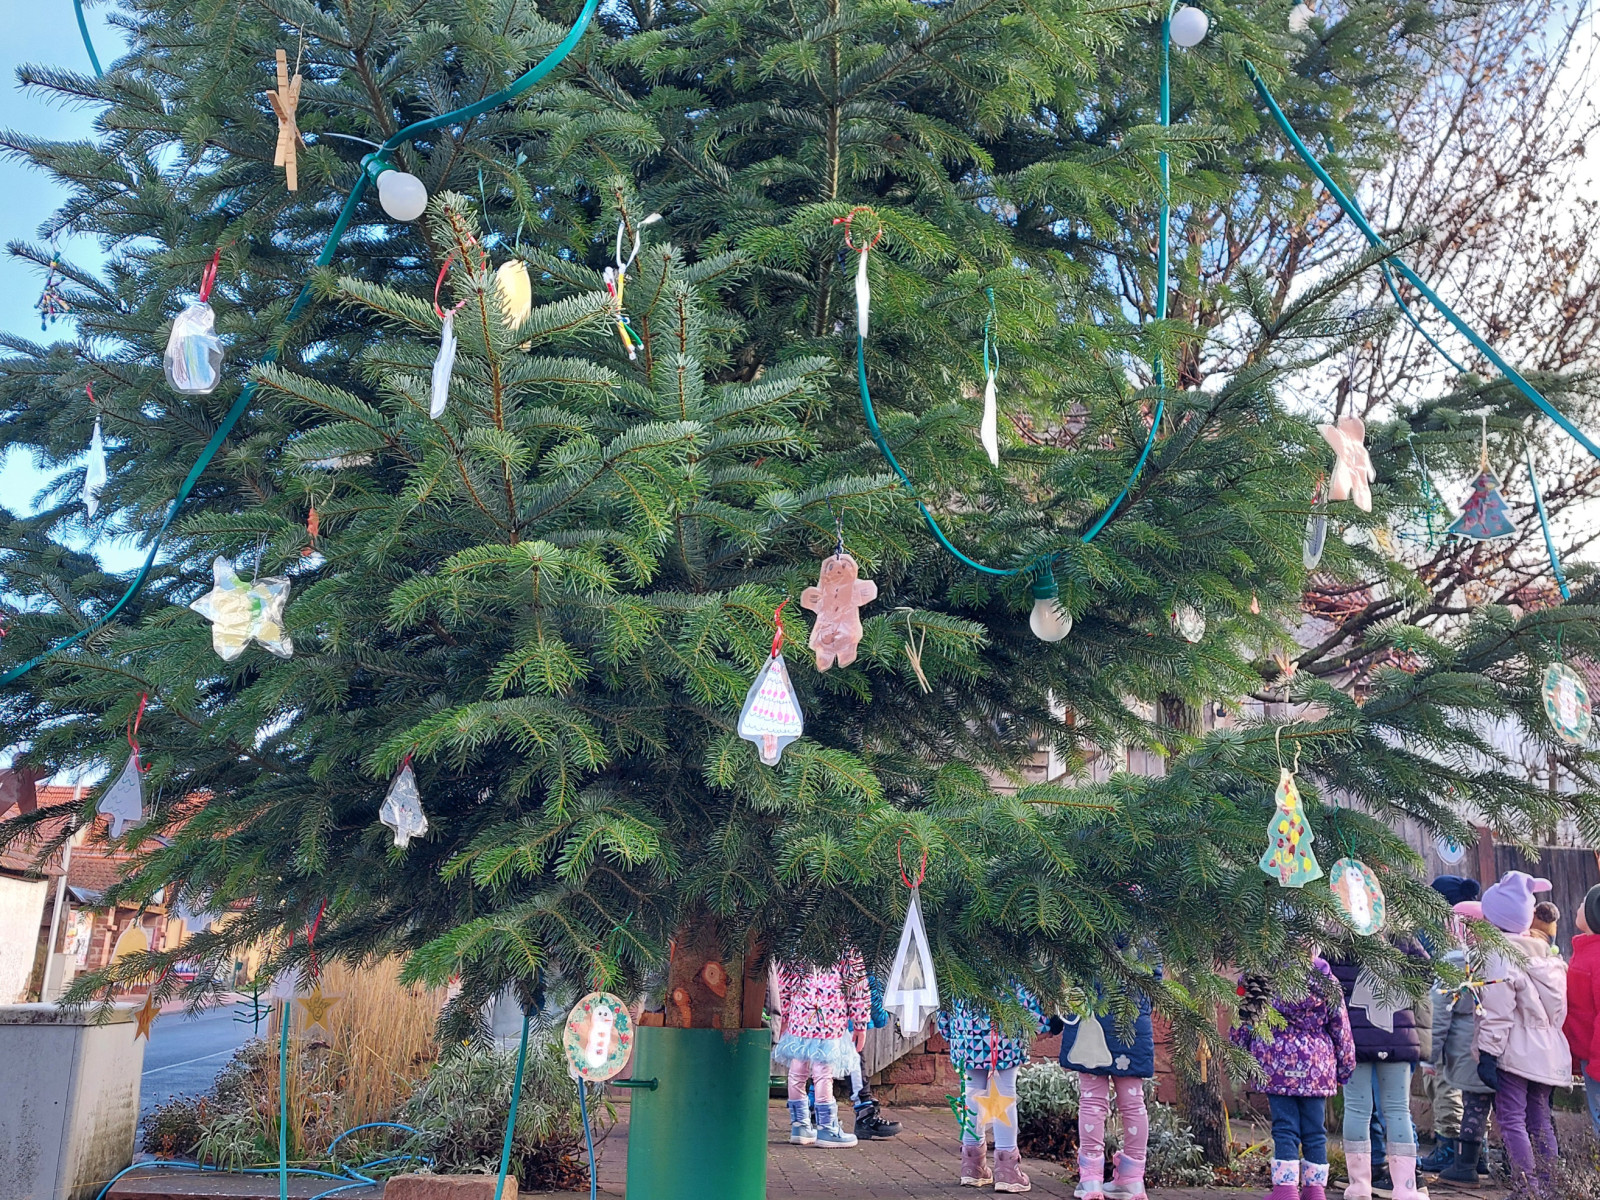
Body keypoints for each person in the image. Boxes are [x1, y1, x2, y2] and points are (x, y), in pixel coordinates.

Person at [1230, 954, 1355, 1200]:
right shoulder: (1328, 980)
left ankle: (1285, 1190)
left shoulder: (1258, 975)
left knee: (1284, 1127)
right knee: (1315, 1130)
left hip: (1275, 1062)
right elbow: (1341, 1026)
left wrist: (1239, 1052)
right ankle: (1315, 1189)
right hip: (1316, 1066)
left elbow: (1242, 1020)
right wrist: (1345, 1065)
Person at [1474, 870, 1571, 1184]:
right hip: (1547, 1053)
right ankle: (1548, 1185)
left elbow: (1496, 1010)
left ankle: (1527, 1187)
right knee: (1540, 1118)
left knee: (1512, 1119)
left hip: (1514, 1054)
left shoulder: (1500, 956)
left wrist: (1488, 1053)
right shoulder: (1549, 958)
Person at [1330, 946, 1427, 1200]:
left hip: (1355, 1038)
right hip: (1399, 1034)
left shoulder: (1339, 940)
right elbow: (1425, 971)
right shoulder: (1400, 937)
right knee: (1398, 1110)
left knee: (1357, 1110)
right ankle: (1406, 1189)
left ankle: (1359, 1186)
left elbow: (1326, 981)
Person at [939, 992, 1058, 1193]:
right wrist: (1044, 1023)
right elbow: (1024, 989)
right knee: (1005, 1093)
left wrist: (946, 1027)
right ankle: (1007, 1167)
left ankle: (971, 1164)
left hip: (965, 1031)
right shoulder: (1007, 959)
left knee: (971, 1091)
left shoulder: (961, 959)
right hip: (1005, 1032)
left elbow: (945, 990)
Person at [1063, 963, 1160, 1200]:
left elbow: (1067, 971)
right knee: (1134, 1102)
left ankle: (1091, 1179)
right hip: (1133, 1021)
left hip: (1090, 1018)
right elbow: (1154, 982)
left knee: (1092, 1101)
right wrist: (1141, 1009)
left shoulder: (1082, 927)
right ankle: (1133, 1179)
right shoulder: (1145, 932)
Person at [1429, 898, 1496, 1187]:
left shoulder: (1457, 963)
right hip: (1496, 1045)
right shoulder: (1497, 960)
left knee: (1473, 1104)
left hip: (1467, 1047)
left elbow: (1440, 1014)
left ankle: (1463, 1164)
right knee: (1489, 1106)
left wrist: (1429, 1055)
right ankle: (1480, 1159)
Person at [773, 949, 870, 1148]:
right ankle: (827, 1128)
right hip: (829, 1014)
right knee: (822, 1070)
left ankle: (799, 1126)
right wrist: (860, 1022)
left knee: (798, 1067)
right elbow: (856, 982)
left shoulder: (797, 937)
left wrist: (784, 1013)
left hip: (800, 1012)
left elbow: (783, 978)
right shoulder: (844, 942)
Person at [1417, 875, 1479, 1176]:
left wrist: (1430, 1048)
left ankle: (1447, 1147)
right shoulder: (1479, 949)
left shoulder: (1444, 945)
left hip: (1448, 1032)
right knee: (1472, 1094)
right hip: (1473, 1036)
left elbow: (1440, 1003)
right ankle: (1474, 1154)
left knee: (1445, 1086)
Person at [846, 974, 901, 1139]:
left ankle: (812, 1109)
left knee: (819, 1057)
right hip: (845, 1010)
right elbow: (862, 980)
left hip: (818, 1009)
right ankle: (865, 1114)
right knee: (854, 1055)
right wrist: (870, 1017)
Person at [1565, 884, 1600, 1137]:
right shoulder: (1585, 950)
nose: (1577, 907)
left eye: (1582, 903)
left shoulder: (1595, 958)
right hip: (1589, 1055)